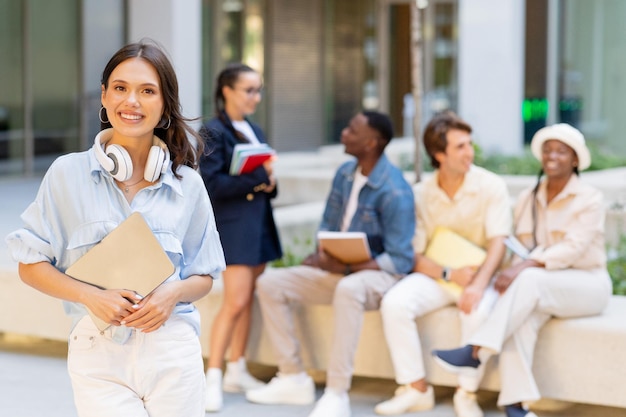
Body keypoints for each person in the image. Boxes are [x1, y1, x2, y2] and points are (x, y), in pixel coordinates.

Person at [5, 40, 226, 417]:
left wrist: (171, 294)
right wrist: (91, 296)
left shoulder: (187, 184)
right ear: (104, 97)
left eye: (147, 91)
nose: (132, 101)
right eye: (121, 88)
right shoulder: (66, 173)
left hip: (172, 346)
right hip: (98, 351)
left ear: (164, 105)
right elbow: (30, 264)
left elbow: (205, 275)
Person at [432, 123, 612, 417]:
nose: (552, 156)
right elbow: (522, 247)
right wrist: (514, 271)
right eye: (547, 150)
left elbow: (573, 250)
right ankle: (516, 406)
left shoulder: (589, 198)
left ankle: (475, 350)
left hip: (587, 284)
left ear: (576, 160)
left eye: (561, 151)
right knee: (520, 320)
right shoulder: (530, 197)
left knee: (527, 278)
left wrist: (523, 268)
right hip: (543, 285)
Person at [245, 111, 416, 417]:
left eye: (352, 129)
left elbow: (400, 259)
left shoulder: (395, 189)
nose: (344, 133)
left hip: (379, 279)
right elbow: (327, 226)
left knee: (349, 288)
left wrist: (349, 267)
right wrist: (323, 255)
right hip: (339, 271)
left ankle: (337, 393)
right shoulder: (345, 174)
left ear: (372, 142)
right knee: (270, 283)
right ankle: (293, 376)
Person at [373, 111, 511, 417]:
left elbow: (499, 244)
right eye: (460, 147)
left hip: (482, 276)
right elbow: (414, 254)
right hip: (440, 275)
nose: (469, 152)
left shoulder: (491, 186)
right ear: (439, 154)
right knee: (395, 303)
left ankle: (467, 393)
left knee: (474, 310)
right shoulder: (421, 194)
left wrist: (474, 285)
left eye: (469, 144)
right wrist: (449, 274)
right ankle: (415, 388)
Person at [198, 63, 282, 412]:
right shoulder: (214, 131)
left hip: (258, 223)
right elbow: (211, 185)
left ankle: (238, 367)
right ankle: (212, 377)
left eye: (258, 90)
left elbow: (261, 178)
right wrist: (258, 179)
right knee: (234, 302)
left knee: (246, 300)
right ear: (227, 90)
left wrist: (269, 182)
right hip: (234, 227)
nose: (255, 97)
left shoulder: (253, 127)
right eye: (249, 90)